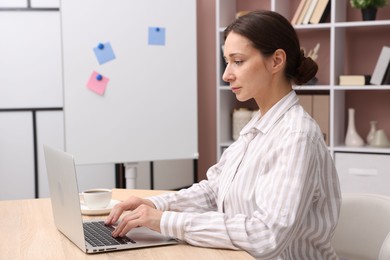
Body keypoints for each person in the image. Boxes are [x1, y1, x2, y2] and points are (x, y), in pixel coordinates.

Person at [105, 10, 341, 259]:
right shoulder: (258, 124)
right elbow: (215, 190)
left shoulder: (296, 136)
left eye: (237, 61)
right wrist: (154, 205)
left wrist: (165, 221)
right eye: (227, 61)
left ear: (276, 61)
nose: (226, 74)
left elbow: (265, 236)